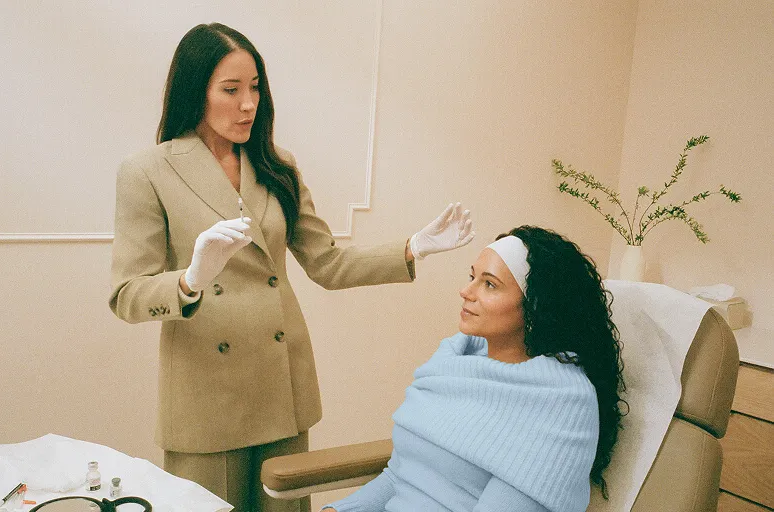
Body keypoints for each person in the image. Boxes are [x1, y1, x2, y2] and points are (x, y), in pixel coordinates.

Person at [109, 22, 475, 512]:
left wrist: (413, 248)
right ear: (196, 93)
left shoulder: (275, 163)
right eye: (231, 90)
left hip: (281, 387)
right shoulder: (147, 171)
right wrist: (190, 279)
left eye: (255, 88)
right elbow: (127, 294)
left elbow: (327, 263)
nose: (248, 104)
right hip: (205, 397)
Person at [323, 226, 626, 512]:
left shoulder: (562, 402)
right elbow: (399, 477)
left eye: (489, 284)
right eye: (472, 277)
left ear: (536, 306)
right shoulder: (451, 362)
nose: (466, 291)